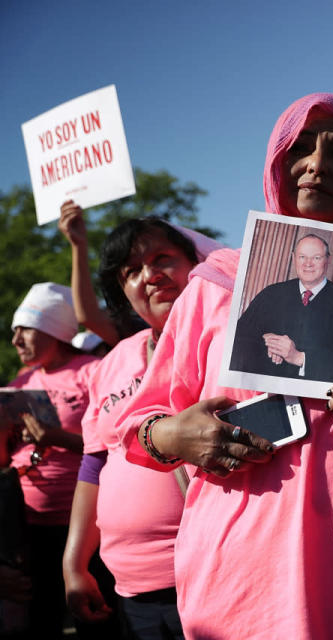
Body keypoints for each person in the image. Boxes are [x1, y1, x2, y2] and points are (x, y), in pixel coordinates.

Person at [111, 93, 333, 639]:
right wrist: (177, 434)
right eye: (300, 149)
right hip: (243, 584)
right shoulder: (217, 281)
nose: (317, 164)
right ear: (276, 165)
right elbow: (136, 426)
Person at [61, 218, 207, 640]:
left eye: (164, 258)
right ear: (124, 293)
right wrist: (74, 564)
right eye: (131, 270)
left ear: (195, 264)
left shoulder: (226, 339)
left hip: (206, 576)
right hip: (129, 590)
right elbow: (94, 466)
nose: (151, 274)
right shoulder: (114, 361)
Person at [4, 282, 98, 638]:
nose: (15, 341)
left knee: (93, 616)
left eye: (24, 330)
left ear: (53, 330)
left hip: (85, 526)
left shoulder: (92, 371)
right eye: (13, 332)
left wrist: (57, 438)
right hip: (26, 525)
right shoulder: (21, 381)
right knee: (39, 617)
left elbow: (114, 444)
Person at [228, 233, 333, 381]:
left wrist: (299, 357)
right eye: (302, 257)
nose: (308, 263)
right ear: (294, 259)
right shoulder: (271, 293)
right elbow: (238, 338)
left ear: (328, 260)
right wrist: (268, 341)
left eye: (316, 258)